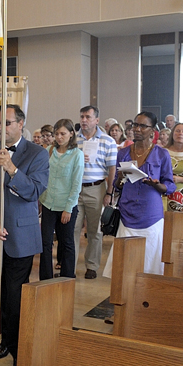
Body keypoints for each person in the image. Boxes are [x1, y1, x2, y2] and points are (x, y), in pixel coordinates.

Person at [0, 104, 48, 366]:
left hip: (21, 236)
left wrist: (13, 170)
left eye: (6, 123)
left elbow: (35, 191)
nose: (0, 128)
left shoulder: (38, 153)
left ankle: (19, 349)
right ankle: (5, 338)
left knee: (15, 296)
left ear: (20, 123)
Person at [103, 112, 175, 276]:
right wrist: (120, 178)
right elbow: (118, 185)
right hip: (128, 212)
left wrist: (157, 185)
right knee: (125, 264)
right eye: (135, 125)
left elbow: (170, 185)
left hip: (150, 213)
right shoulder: (123, 153)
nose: (137, 129)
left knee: (150, 262)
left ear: (152, 130)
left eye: (143, 126)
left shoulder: (161, 154)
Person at [74, 105, 117, 279]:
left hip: (96, 188)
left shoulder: (107, 141)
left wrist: (109, 192)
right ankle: (69, 265)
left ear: (97, 120)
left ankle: (91, 265)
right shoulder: (74, 140)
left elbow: (112, 168)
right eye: (82, 117)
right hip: (75, 189)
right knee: (72, 229)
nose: (84, 120)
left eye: (88, 117)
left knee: (95, 230)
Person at [39, 119, 84, 279]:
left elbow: (76, 183)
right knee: (45, 243)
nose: (59, 137)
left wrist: (68, 208)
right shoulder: (49, 151)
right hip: (48, 203)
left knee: (66, 243)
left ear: (71, 134)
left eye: (63, 134)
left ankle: (67, 278)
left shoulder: (77, 154)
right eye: (56, 134)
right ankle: (45, 278)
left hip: (66, 205)